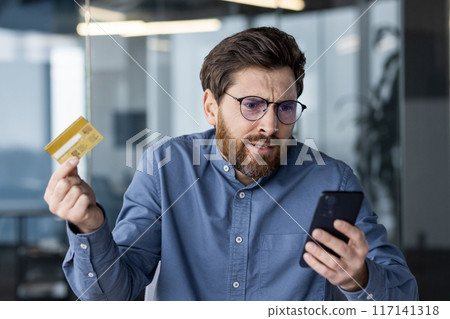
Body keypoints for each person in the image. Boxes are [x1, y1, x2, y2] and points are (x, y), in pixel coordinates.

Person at [44, 27, 418, 301]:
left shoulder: (331, 179)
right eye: (252, 105)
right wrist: (89, 225)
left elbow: (406, 302)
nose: (271, 126)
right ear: (211, 107)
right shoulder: (165, 168)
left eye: (285, 108)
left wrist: (359, 278)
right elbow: (112, 297)